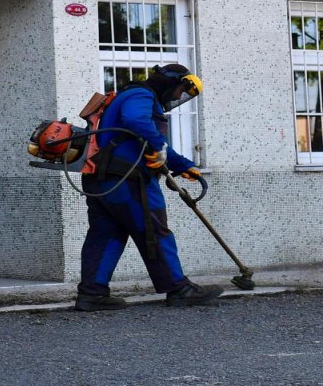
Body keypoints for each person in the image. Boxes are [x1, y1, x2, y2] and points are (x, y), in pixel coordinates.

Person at [75, 64, 224, 311]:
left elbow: (150, 142)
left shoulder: (127, 96)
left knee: (105, 234)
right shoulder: (141, 95)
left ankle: (92, 294)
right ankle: (179, 289)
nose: (178, 97)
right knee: (154, 231)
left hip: (102, 178)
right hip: (129, 180)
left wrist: (183, 165)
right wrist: (160, 146)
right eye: (179, 90)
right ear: (169, 82)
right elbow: (137, 122)